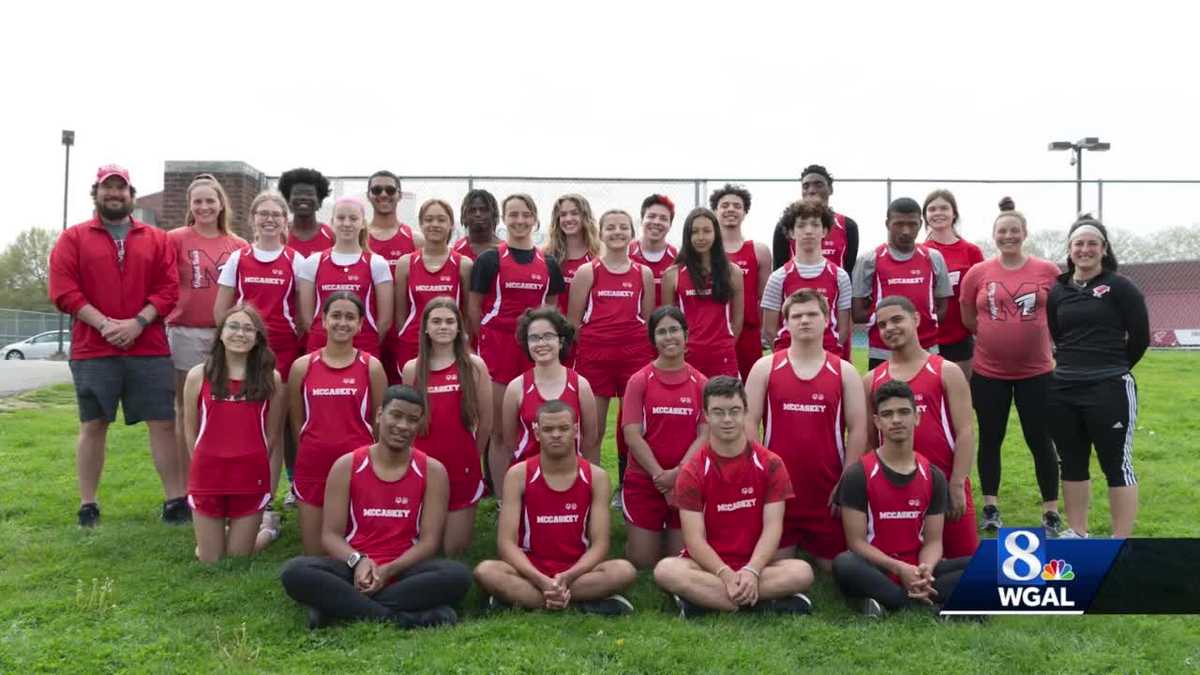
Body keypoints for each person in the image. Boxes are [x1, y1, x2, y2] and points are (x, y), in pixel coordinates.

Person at [49, 164, 184, 527]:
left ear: (130, 194)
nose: (114, 194)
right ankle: (88, 504)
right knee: (93, 424)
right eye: (107, 188)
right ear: (96, 193)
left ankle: (175, 500)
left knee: (163, 423)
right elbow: (64, 290)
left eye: (120, 188)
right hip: (94, 349)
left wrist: (138, 322)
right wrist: (105, 325)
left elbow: (169, 289)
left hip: (148, 347)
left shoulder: (157, 239)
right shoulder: (73, 238)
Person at [280, 385, 472, 629]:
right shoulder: (347, 465)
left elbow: (429, 542)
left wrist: (389, 570)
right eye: (396, 415)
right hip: (353, 567)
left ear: (419, 425)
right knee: (295, 571)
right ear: (380, 414)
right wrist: (358, 561)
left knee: (458, 576)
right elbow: (330, 536)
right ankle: (406, 618)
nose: (403, 426)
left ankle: (338, 608)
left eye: (412, 420)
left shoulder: (433, 471)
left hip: (404, 569)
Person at [653, 376, 814, 617]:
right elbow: (694, 540)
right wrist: (725, 574)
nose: (727, 419)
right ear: (706, 416)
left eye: (734, 411)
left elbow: (773, 528)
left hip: (757, 565)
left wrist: (752, 570)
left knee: (802, 572)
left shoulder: (771, 464)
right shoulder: (692, 470)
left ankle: (703, 601)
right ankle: (759, 604)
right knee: (666, 570)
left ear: (746, 412)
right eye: (718, 412)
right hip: (708, 567)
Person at [474, 400, 637, 615]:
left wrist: (568, 576)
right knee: (486, 571)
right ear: (537, 433)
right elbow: (506, 543)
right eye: (548, 429)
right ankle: (577, 601)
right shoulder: (518, 474)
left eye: (563, 428)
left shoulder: (596, 477)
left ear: (575, 430)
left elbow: (600, 544)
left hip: (578, 571)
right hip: (530, 569)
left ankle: (527, 600)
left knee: (624, 571)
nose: (556, 435)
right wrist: (540, 579)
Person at [959, 197, 1063, 533]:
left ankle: (1050, 510)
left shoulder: (1048, 271)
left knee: (1041, 439)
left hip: (1037, 373)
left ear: (1025, 233)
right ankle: (991, 507)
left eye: (1014, 230)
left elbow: (1059, 311)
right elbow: (968, 316)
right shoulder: (979, 273)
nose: (1008, 236)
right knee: (991, 438)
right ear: (994, 235)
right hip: (989, 373)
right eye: (1002, 231)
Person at [745, 290, 867, 572]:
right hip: (779, 490)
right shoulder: (765, 367)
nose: (804, 321)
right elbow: (748, 423)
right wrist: (758, 473)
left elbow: (858, 429)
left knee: (835, 568)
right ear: (786, 323)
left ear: (826, 320)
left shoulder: (845, 371)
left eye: (812, 314)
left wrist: (846, 482)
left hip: (826, 489)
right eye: (797, 316)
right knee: (776, 565)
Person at [1047, 215, 1149, 539]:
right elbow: (1057, 334)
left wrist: (1113, 369)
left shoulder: (1121, 287)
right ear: (1070, 249)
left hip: (1109, 387)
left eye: (1092, 243)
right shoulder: (1058, 290)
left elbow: (1140, 337)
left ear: (1104, 249)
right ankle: (1078, 532)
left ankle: (1120, 541)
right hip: (1064, 389)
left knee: (1116, 464)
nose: (1085, 249)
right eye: (1079, 243)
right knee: (1071, 462)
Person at [833, 380, 969, 616]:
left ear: (917, 417)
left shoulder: (933, 475)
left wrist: (924, 570)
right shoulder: (858, 474)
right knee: (844, 563)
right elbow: (856, 543)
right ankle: (924, 606)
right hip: (879, 569)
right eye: (888, 414)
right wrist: (899, 568)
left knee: (988, 566)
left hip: (918, 567)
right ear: (877, 422)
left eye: (904, 412)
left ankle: (894, 601)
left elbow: (933, 541)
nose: (896, 420)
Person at [864, 297, 978, 559]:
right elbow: (869, 442)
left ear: (915, 319)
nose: (889, 328)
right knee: (903, 563)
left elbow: (965, 433)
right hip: (897, 490)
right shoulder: (872, 380)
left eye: (896, 319)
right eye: (882, 325)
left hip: (945, 483)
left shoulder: (946, 371)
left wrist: (957, 483)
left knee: (967, 564)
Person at [469, 193, 565, 473]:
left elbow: (552, 311)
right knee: (500, 429)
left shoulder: (548, 263)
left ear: (535, 219)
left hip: (535, 350)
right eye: (513, 214)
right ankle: (502, 492)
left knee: (540, 422)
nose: (520, 220)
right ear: (504, 219)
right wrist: (484, 342)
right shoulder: (489, 260)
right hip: (498, 349)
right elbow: (474, 309)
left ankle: (539, 481)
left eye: (526, 214)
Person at [167, 176, 247, 505]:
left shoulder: (238, 245)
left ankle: (225, 481)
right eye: (197, 201)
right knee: (186, 410)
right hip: (185, 330)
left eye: (210, 200)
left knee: (226, 409)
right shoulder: (174, 239)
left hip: (226, 335)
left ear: (221, 203)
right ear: (189, 205)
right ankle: (188, 486)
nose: (204, 207)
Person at [183, 304, 285, 562]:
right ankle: (217, 537)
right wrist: (200, 463)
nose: (240, 334)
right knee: (210, 559)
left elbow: (272, 434)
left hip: (250, 475)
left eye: (248, 329)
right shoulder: (198, 375)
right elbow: (190, 429)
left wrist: (254, 462)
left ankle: (269, 529)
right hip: (208, 474)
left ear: (257, 338)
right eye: (234, 326)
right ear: (220, 333)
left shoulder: (270, 378)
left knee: (238, 558)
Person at [288, 292, 388, 553]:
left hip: (357, 466)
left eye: (350, 317)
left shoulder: (371, 367)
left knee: (357, 547)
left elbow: (380, 422)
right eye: (336, 316)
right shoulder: (302, 366)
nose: (342, 322)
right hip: (313, 465)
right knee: (314, 552)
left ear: (360, 324)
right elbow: (297, 421)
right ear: (323, 320)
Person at [566, 209, 655, 477]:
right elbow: (573, 323)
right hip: (596, 358)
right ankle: (591, 483)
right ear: (601, 233)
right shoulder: (587, 271)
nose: (617, 232)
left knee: (634, 428)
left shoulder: (643, 273)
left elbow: (647, 321)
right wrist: (600, 343)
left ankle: (630, 486)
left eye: (623, 227)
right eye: (611, 227)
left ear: (632, 233)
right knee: (593, 429)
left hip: (634, 357)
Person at [402, 298, 492, 555]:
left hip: (462, 463)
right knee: (426, 548)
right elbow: (408, 422)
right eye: (437, 321)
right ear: (426, 328)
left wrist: (473, 455)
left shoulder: (474, 366)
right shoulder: (412, 369)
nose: (443, 326)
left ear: (459, 327)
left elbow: (486, 420)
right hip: (424, 464)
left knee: (453, 550)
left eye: (450, 321)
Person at [620, 306, 708, 569]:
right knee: (643, 561)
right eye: (661, 332)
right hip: (645, 480)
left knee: (678, 557)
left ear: (686, 335)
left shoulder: (700, 382)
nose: (669, 337)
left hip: (686, 481)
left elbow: (705, 435)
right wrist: (660, 476)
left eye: (674, 330)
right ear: (653, 339)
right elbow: (632, 435)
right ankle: (638, 538)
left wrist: (678, 474)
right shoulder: (639, 380)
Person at [497, 308, 598, 499]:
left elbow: (590, 440)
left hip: (571, 478)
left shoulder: (580, 385)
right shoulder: (516, 388)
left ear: (560, 341)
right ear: (526, 344)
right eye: (534, 338)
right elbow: (510, 442)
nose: (541, 343)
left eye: (548, 336)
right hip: (528, 481)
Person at [852, 198, 954, 369]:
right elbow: (857, 313)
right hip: (883, 351)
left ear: (920, 224)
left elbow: (942, 308)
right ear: (887, 224)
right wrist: (892, 322)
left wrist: (921, 322)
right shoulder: (869, 259)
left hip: (926, 348)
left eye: (912, 224)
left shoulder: (933, 257)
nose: (906, 231)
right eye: (899, 224)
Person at [297, 196, 394, 358]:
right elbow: (308, 320)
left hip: (364, 345)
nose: (347, 223)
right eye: (341, 218)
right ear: (332, 222)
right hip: (320, 345)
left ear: (363, 223)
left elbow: (384, 322)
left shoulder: (377, 263)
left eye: (353, 218)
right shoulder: (313, 262)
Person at [394, 199, 472, 383]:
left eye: (441, 219)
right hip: (413, 344)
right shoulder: (405, 263)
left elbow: (467, 314)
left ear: (451, 224)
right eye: (428, 219)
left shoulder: (464, 265)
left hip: (450, 345)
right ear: (421, 224)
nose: (434, 224)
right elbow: (400, 315)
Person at [661, 208, 745, 379]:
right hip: (688, 355)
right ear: (687, 235)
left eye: (707, 231)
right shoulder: (672, 274)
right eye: (695, 232)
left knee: (725, 397)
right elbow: (667, 320)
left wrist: (725, 344)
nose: (701, 237)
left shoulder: (732, 272)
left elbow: (738, 319)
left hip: (723, 355)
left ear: (716, 233)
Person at [761, 201, 853, 356]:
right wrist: (787, 356)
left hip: (828, 355)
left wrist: (825, 355)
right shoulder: (778, 277)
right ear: (791, 232)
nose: (808, 231)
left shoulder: (840, 276)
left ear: (824, 231)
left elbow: (844, 329)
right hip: (788, 356)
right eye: (801, 225)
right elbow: (769, 330)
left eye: (815, 225)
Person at [366, 170, 423, 385]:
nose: (383, 194)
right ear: (369, 195)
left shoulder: (415, 240)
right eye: (377, 190)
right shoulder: (359, 237)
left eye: (390, 190)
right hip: (366, 332)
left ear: (399, 195)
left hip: (401, 335)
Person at [711, 184, 772, 379]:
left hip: (748, 334)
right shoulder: (705, 252)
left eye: (737, 206)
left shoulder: (759, 251)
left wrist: (763, 332)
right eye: (725, 205)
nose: (730, 209)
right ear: (715, 211)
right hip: (714, 333)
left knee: (749, 389)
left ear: (745, 212)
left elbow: (765, 299)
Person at [922, 189, 984, 378]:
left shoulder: (971, 251)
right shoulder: (920, 252)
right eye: (932, 209)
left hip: (961, 338)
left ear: (954, 213)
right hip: (927, 338)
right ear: (925, 216)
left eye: (944, 208)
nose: (938, 213)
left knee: (961, 391)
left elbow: (981, 295)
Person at [772, 164, 860, 275]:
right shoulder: (786, 225)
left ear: (830, 189)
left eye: (818, 185)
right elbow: (778, 268)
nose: (811, 190)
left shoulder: (848, 226)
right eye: (806, 186)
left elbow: (849, 270)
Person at [545, 194, 600, 317]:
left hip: (586, 326)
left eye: (575, 213)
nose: (568, 219)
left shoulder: (599, 255)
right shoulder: (547, 254)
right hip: (554, 325)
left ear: (585, 217)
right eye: (563, 215)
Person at [629, 194, 679, 305]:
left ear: (670, 225)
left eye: (663, 218)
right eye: (651, 216)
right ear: (642, 220)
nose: (656, 222)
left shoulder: (678, 258)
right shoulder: (626, 253)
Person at [279, 167, 334, 258]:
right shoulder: (278, 234)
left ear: (319, 202)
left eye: (309, 194)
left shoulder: (331, 235)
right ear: (288, 201)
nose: (303, 197)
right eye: (297, 193)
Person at [453, 189, 502, 260]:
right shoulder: (457, 250)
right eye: (472, 210)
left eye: (483, 209)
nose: (478, 214)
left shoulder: (505, 251)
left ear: (494, 214)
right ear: (464, 216)